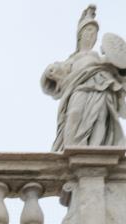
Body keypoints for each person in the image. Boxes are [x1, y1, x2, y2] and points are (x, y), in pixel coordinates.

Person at [41, 5, 126, 151]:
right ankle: (71, 148)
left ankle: (98, 149)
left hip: (102, 87)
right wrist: (50, 72)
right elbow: (53, 79)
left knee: (101, 118)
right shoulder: (72, 60)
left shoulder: (100, 58)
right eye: (88, 31)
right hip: (79, 88)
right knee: (74, 114)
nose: (91, 35)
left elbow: (120, 72)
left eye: (94, 32)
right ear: (80, 35)